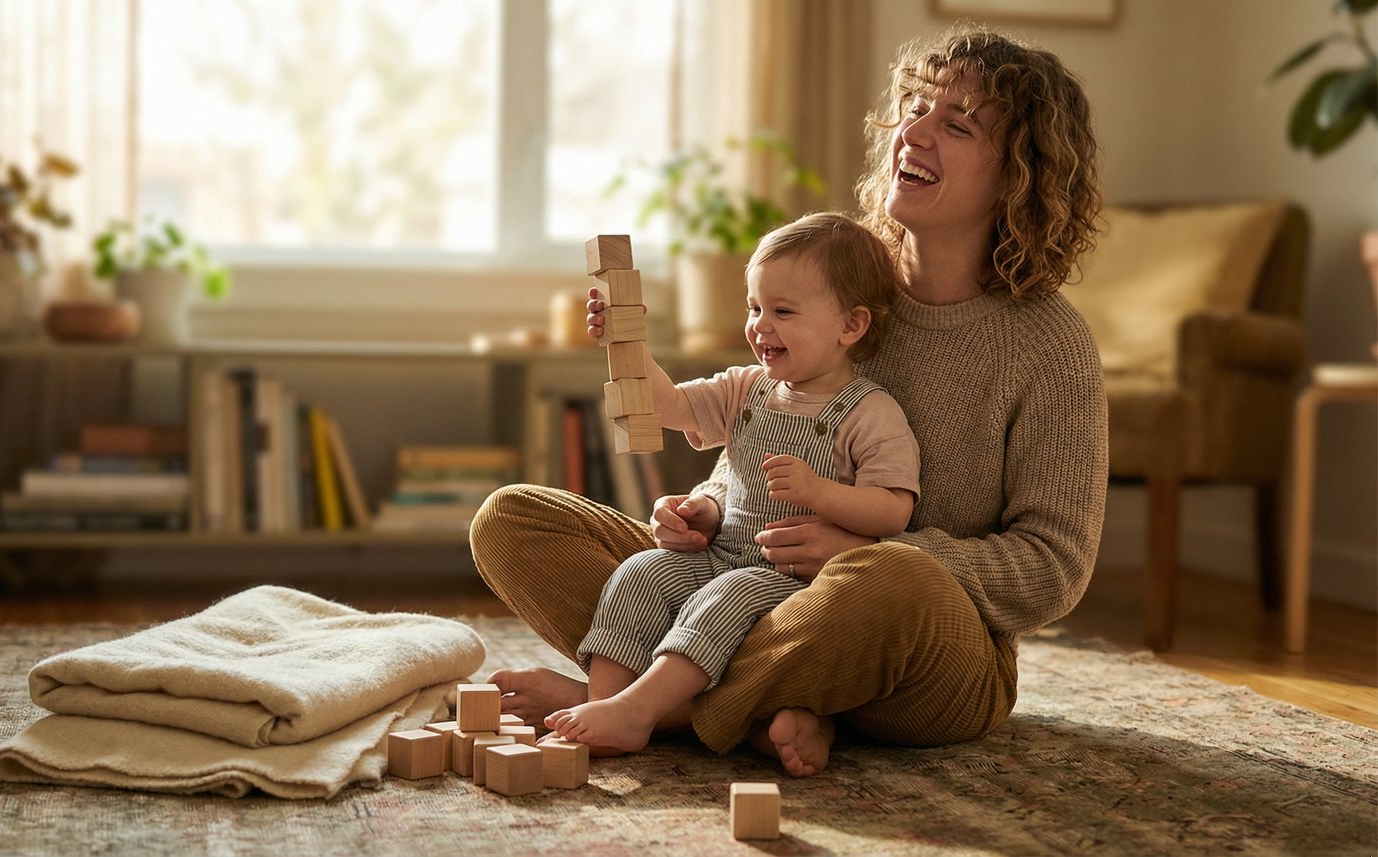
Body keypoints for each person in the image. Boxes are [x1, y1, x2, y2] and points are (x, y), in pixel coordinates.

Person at [469, 23, 1107, 778]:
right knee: (513, 519)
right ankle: (760, 709)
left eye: (956, 123)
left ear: (1018, 178)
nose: (915, 131)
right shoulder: (844, 283)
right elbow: (768, 419)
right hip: (746, 582)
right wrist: (708, 503)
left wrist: (868, 553)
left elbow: (1053, 568)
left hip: (911, 641)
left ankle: (646, 704)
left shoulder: (1050, 343)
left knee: (891, 584)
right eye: (916, 107)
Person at [543, 212, 920, 755]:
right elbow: (670, 405)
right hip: (721, 554)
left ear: (851, 326)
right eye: (755, 308)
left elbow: (893, 511)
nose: (760, 326)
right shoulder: (749, 387)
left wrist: (820, 493)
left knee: (728, 592)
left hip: (793, 581)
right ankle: (609, 706)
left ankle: (643, 710)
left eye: (783, 311)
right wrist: (627, 342)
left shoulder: (871, 413)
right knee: (641, 570)